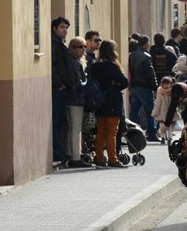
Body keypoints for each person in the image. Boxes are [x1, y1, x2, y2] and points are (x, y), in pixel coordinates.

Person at [87, 40, 129, 168]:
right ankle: (113, 158)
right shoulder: (113, 66)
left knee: (100, 131)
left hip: (99, 102)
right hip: (112, 101)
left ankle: (99, 158)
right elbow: (124, 82)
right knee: (112, 132)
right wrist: (115, 85)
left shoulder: (95, 66)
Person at [65, 37, 93, 168]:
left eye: (84, 47)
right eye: (80, 47)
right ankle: (75, 157)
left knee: (72, 128)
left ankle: (72, 154)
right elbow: (76, 84)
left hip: (72, 98)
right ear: (73, 48)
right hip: (75, 99)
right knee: (76, 128)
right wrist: (87, 83)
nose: (83, 50)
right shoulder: (74, 63)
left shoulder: (75, 62)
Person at [51, 16, 73, 163]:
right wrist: (59, 84)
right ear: (55, 28)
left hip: (63, 89)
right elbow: (52, 65)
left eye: (66, 27)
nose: (64, 30)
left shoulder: (60, 43)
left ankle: (58, 150)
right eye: (62, 27)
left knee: (60, 121)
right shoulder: (54, 44)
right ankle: (56, 151)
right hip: (58, 89)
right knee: (56, 121)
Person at [129, 34, 159, 141]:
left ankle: (131, 133)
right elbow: (151, 74)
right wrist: (155, 87)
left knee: (134, 111)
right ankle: (152, 133)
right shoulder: (146, 56)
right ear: (146, 43)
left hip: (134, 86)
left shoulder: (132, 55)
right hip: (145, 87)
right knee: (150, 111)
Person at [152, 76, 176, 144]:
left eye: (167, 84)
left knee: (169, 127)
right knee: (162, 127)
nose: (166, 86)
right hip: (161, 113)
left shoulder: (173, 92)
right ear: (161, 84)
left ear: (171, 84)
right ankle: (162, 137)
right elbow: (157, 103)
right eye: (164, 84)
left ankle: (169, 138)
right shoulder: (160, 92)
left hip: (170, 113)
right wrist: (155, 112)